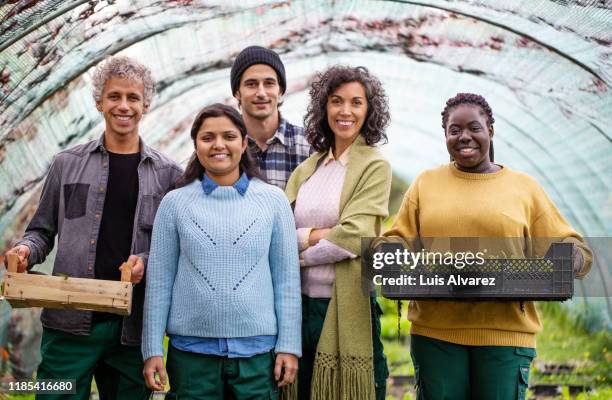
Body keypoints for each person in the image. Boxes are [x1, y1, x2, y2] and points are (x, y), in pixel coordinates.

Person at [383, 93, 593, 400]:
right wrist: (389, 252)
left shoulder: (524, 187)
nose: (464, 136)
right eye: (454, 130)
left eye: (474, 128)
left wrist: (570, 257)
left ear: (490, 132)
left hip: (505, 336)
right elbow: (397, 239)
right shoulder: (426, 183)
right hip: (436, 333)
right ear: (446, 135)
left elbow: (571, 245)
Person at [3, 56, 182, 399]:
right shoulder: (67, 165)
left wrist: (145, 259)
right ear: (99, 102)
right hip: (69, 324)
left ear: (146, 104)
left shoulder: (168, 175)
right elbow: (42, 231)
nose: (124, 105)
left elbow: (172, 246)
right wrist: (26, 250)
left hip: (130, 332)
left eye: (133, 97)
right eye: (114, 96)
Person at [141, 103, 301, 399]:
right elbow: (160, 281)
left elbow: (287, 281)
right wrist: (152, 349)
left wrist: (289, 346)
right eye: (207, 138)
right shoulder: (174, 204)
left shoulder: (273, 201)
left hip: (257, 356)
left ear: (243, 143)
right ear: (196, 146)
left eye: (228, 136)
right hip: (191, 356)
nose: (218, 145)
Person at [285, 66, 392, 400]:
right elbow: (279, 233)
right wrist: (318, 236)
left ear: (369, 110)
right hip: (299, 310)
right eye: (336, 101)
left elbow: (352, 236)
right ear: (324, 108)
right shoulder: (308, 169)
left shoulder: (374, 166)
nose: (345, 111)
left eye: (356, 103)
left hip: (343, 306)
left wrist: (298, 250)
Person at [230, 45, 312, 189]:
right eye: (251, 84)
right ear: (237, 92)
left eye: (269, 83)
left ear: (280, 90)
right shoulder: (224, 147)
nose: (261, 92)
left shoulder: (308, 146)